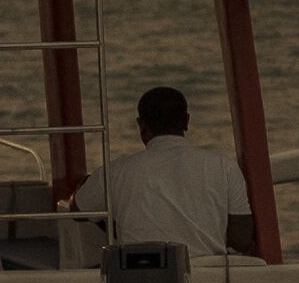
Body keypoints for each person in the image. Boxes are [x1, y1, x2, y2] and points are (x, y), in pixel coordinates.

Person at [63, 86, 253, 257]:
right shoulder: (224, 166)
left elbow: (78, 211)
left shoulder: (115, 172)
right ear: (186, 121)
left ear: (142, 125)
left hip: (142, 276)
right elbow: (242, 239)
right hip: (207, 276)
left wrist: (83, 187)